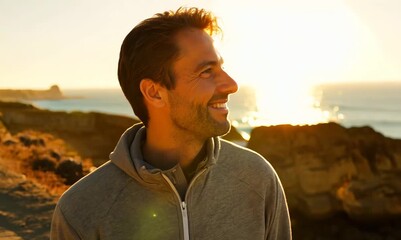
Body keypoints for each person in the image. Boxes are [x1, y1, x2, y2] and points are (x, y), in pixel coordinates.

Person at [50, 7, 292, 240]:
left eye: (221, 67)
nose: (231, 85)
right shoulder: (80, 210)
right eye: (207, 71)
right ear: (154, 92)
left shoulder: (258, 178)